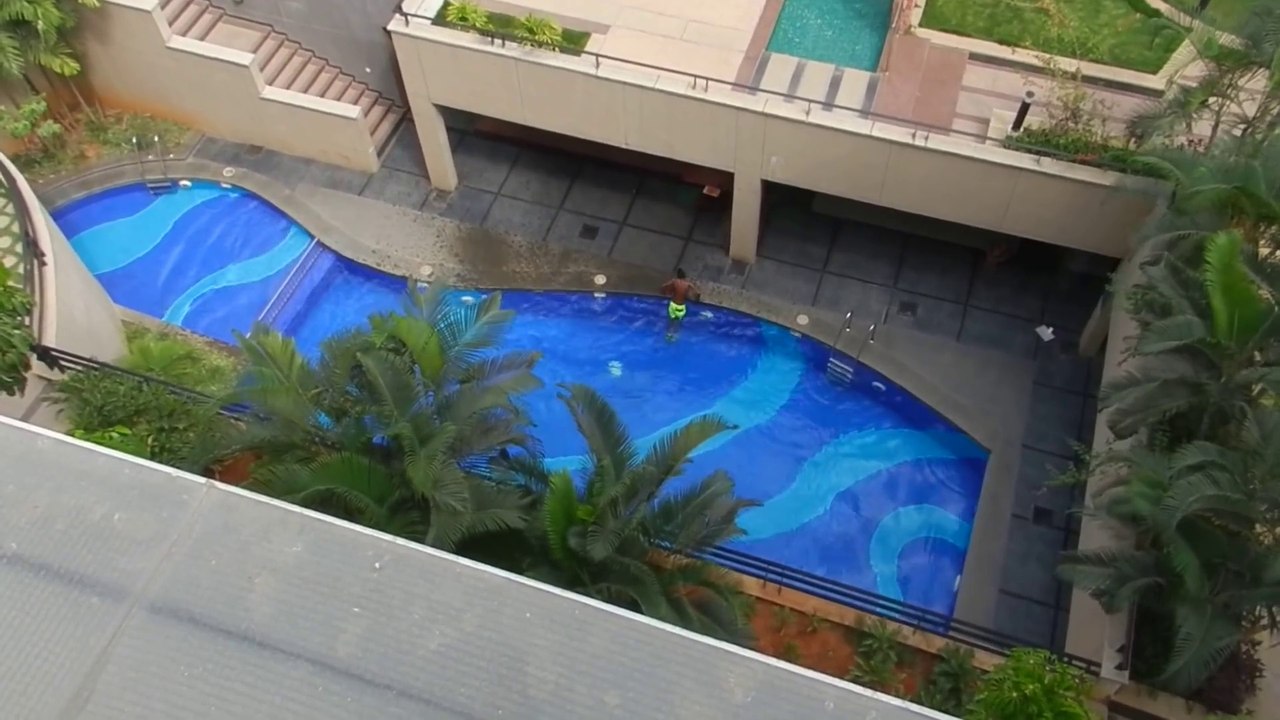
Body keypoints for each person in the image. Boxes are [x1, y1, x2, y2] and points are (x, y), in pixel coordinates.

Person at [660, 268, 699, 339]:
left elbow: (664, 286)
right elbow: (697, 293)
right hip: (681, 307)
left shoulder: (674, 281)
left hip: (673, 305)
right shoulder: (688, 284)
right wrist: (695, 299)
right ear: (685, 277)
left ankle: (668, 334)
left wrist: (665, 292)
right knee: (678, 322)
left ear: (677, 275)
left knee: (671, 321)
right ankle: (675, 336)